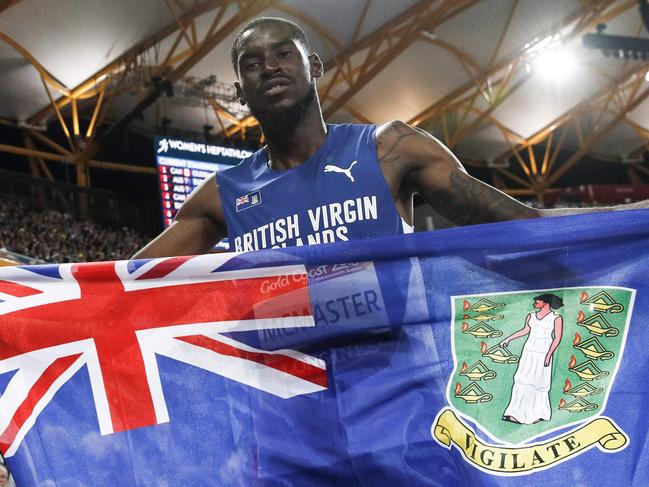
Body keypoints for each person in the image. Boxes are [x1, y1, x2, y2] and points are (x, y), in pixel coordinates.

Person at [134, 17, 648, 259]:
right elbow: (124, 285)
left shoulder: (390, 149)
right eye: (251, 63)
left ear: (313, 66)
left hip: (396, 395)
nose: (269, 66)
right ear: (241, 92)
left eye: (283, 53)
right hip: (287, 410)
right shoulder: (221, 196)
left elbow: (524, 226)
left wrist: (635, 221)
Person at [500, 293, 564, 424]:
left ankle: (538, 414)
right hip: (529, 350)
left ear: (545, 303)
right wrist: (508, 339)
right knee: (521, 379)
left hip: (543, 351)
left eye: (538, 301)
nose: (535, 303)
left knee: (540, 382)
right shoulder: (531, 316)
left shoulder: (556, 318)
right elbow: (525, 330)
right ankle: (514, 413)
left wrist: (548, 355)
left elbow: (557, 338)